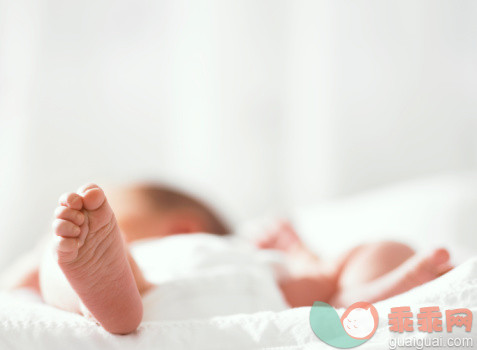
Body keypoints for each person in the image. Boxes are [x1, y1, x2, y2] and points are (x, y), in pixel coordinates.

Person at [2, 183, 452, 334]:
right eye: (111, 229)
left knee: (51, 266)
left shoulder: (232, 252)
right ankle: (353, 301)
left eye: (118, 215)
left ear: (182, 228)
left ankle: (104, 295)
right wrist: (303, 256)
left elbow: (14, 291)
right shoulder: (252, 259)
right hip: (270, 297)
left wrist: (46, 252)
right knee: (359, 259)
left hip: (155, 287)